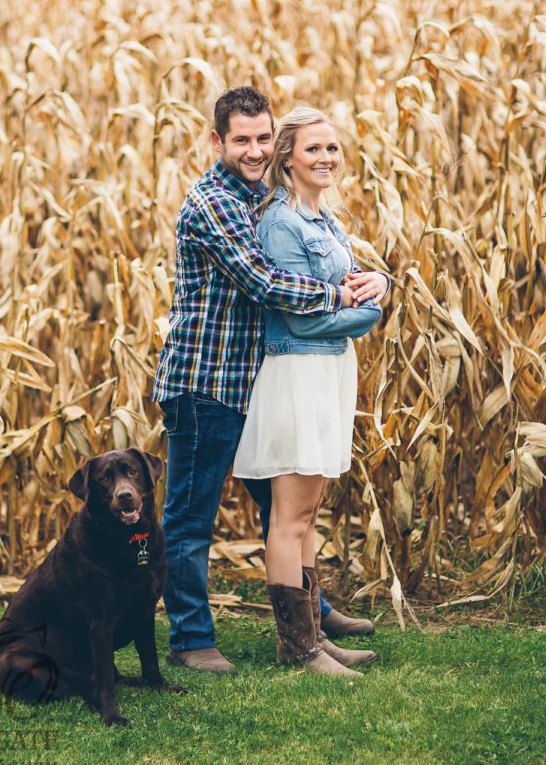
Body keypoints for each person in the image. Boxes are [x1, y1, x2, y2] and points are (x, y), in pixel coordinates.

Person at [153, 86, 388, 674]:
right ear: (217, 141)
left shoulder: (265, 197)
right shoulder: (212, 203)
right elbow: (266, 283)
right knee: (189, 518)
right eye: (242, 140)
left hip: (254, 381)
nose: (254, 150)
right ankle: (190, 639)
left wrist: (373, 279)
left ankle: (312, 617)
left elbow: (321, 251)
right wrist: (340, 295)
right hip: (206, 383)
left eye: (263, 138)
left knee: (285, 507)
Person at [232, 106, 388, 676]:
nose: (326, 158)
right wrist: (368, 313)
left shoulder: (325, 220)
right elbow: (295, 320)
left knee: (309, 512)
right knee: (289, 518)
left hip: (326, 373)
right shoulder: (281, 223)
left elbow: (350, 281)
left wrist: (378, 282)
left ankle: (314, 638)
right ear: (287, 159)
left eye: (332, 148)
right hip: (297, 373)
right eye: (313, 150)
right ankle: (297, 647)